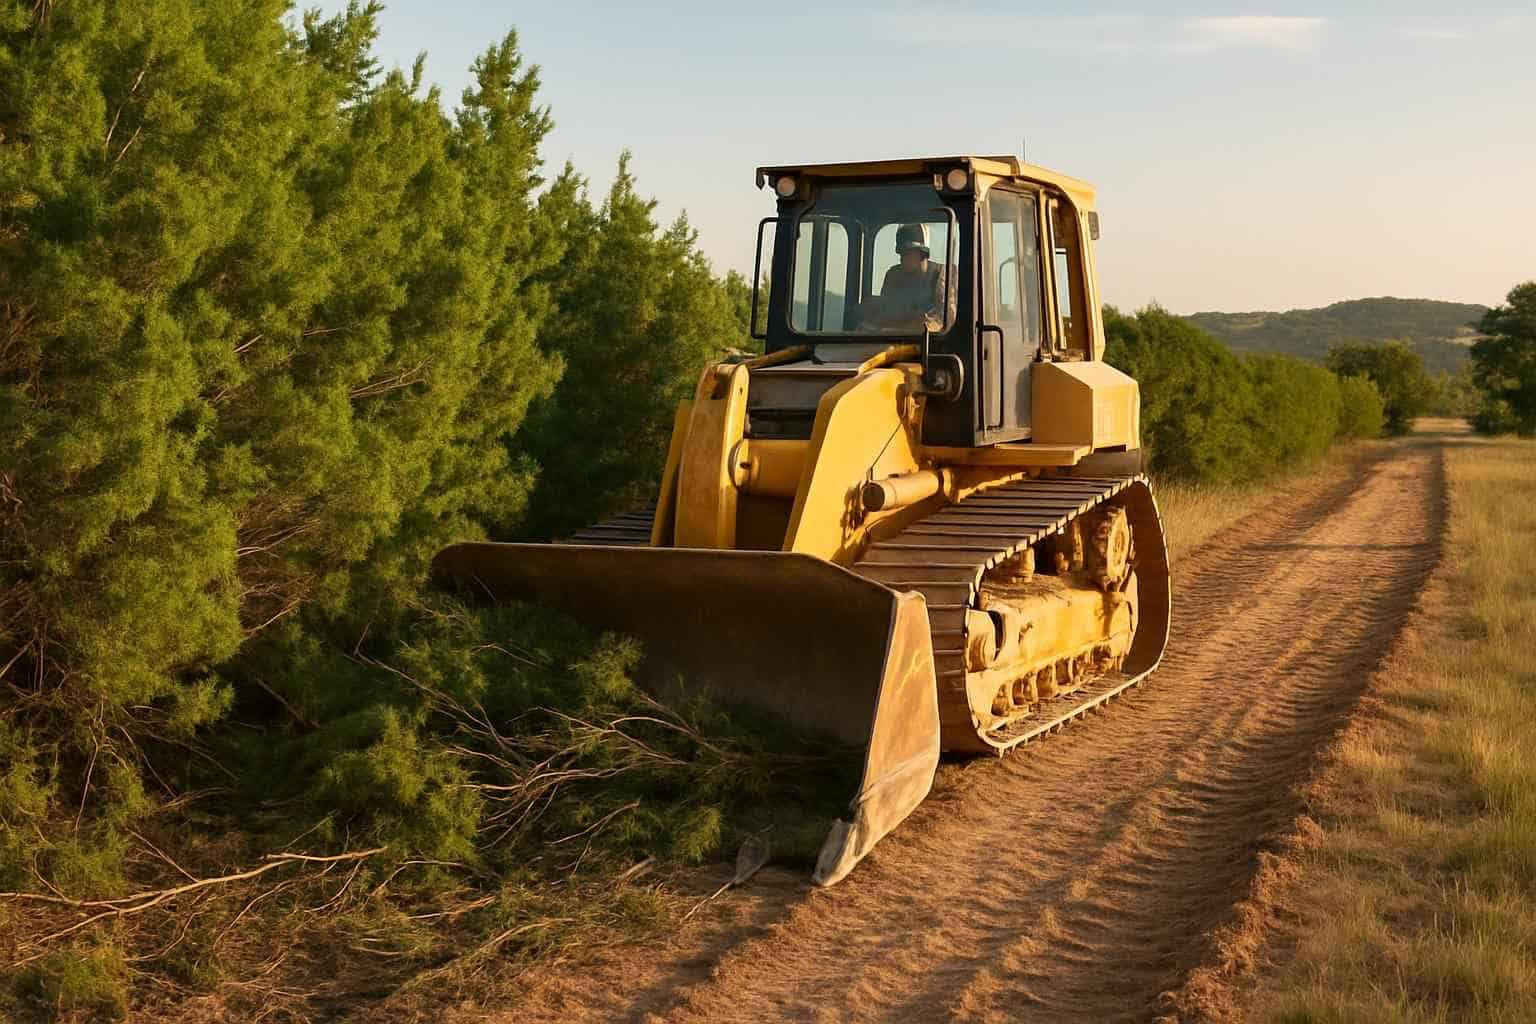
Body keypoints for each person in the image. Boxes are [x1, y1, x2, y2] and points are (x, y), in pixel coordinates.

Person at [861, 223, 955, 332]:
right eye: (901, 254)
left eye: (906, 253)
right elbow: (884, 311)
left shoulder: (942, 276)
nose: (901, 259)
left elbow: (944, 323)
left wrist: (914, 324)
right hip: (890, 342)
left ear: (922, 252)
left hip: (929, 345)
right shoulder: (893, 276)